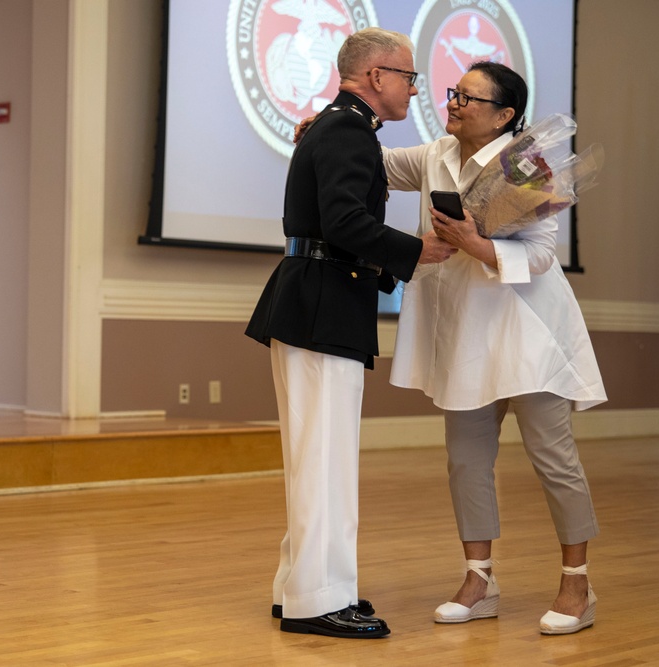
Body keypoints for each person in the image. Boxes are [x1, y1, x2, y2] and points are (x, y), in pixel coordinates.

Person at [245, 27, 456, 639]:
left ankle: (305, 586)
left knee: (317, 457)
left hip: (317, 301)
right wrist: (415, 250)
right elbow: (343, 221)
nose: (415, 89)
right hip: (322, 304)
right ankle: (316, 601)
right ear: (376, 76)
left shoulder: (339, 127)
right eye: (410, 76)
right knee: (323, 458)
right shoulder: (345, 131)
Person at [382, 62, 607, 634]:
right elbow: (377, 163)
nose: (453, 103)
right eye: (454, 93)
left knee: (554, 462)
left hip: (527, 329)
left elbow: (539, 255)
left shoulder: (527, 165)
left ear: (504, 116)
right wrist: (329, 127)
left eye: (469, 98)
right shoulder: (435, 153)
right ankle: (479, 580)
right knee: (466, 461)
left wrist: (473, 244)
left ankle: (577, 583)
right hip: (465, 333)